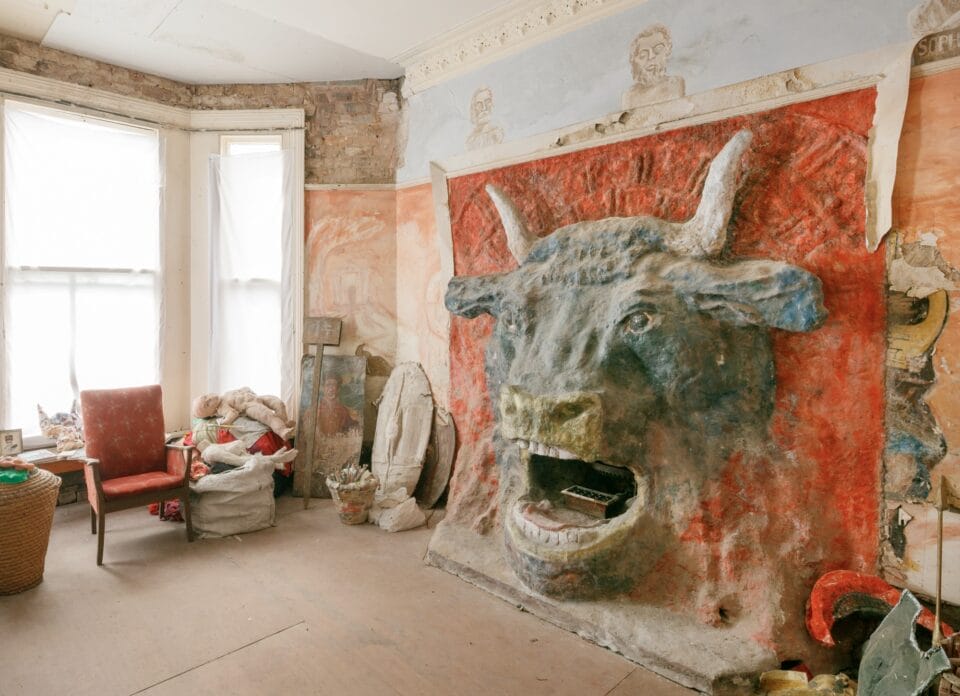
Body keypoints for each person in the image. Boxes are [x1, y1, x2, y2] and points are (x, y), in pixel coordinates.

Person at [621, 23, 685, 109]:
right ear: (634, 61)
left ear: (667, 51)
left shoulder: (675, 84)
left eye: (658, 49)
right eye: (643, 55)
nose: (651, 57)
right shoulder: (629, 96)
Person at [466, 86, 505, 151]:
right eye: (479, 104)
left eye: (487, 102)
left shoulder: (499, 133)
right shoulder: (471, 141)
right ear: (474, 108)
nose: (484, 108)